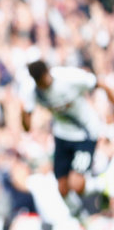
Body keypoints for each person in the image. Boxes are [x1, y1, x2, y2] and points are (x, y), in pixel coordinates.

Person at [20, 59, 114, 217]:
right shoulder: (32, 91)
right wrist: (22, 112)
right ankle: (82, 222)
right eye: (40, 83)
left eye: (45, 80)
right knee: (62, 189)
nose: (44, 85)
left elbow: (101, 84)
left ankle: (101, 185)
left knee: (76, 184)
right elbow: (27, 126)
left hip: (85, 133)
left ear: (48, 72)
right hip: (62, 136)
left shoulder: (70, 77)